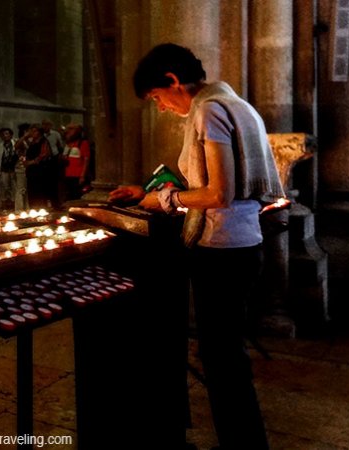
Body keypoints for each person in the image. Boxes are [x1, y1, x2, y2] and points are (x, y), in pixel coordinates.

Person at [109, 43, 284, 450]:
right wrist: (146, 192)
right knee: (227, 358)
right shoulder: (235, 102)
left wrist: (168, 199)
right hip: (244, 246)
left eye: (157, 97)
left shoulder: (208, 109)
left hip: (222, 251)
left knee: (223, 362)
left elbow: (219, 193)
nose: (162, 108)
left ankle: (242, 444)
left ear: (172, 81)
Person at [61, 123, 91, 201]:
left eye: (71, 129)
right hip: (68, 173)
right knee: (70, 195)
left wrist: (82, 175)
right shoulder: (68, 144)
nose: (69, 131)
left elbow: (86, 159)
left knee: (77, 195)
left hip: (77, 174)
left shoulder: (83, 143)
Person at [0, 127, 18, 210]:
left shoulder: (15, 143)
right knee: (4, 187)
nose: (5, 136)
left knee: (14, 187)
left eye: (6, 134)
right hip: (4, 169)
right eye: (3, 134)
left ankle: (13, 204)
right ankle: (4, 205)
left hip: (13, 169)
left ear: (10, 135)